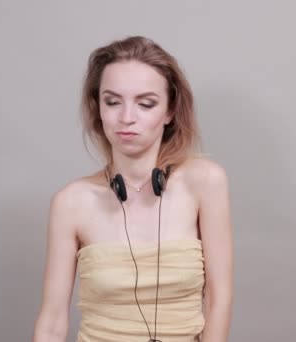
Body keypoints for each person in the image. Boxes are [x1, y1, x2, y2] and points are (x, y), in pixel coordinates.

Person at [33, 36, 233, 342]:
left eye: (145, 103)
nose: (127, 118)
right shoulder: (70, 202)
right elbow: (52, 323)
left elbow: (219, 302)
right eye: (112, 102)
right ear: (97, 108)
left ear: (169, 111)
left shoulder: (205, 183)